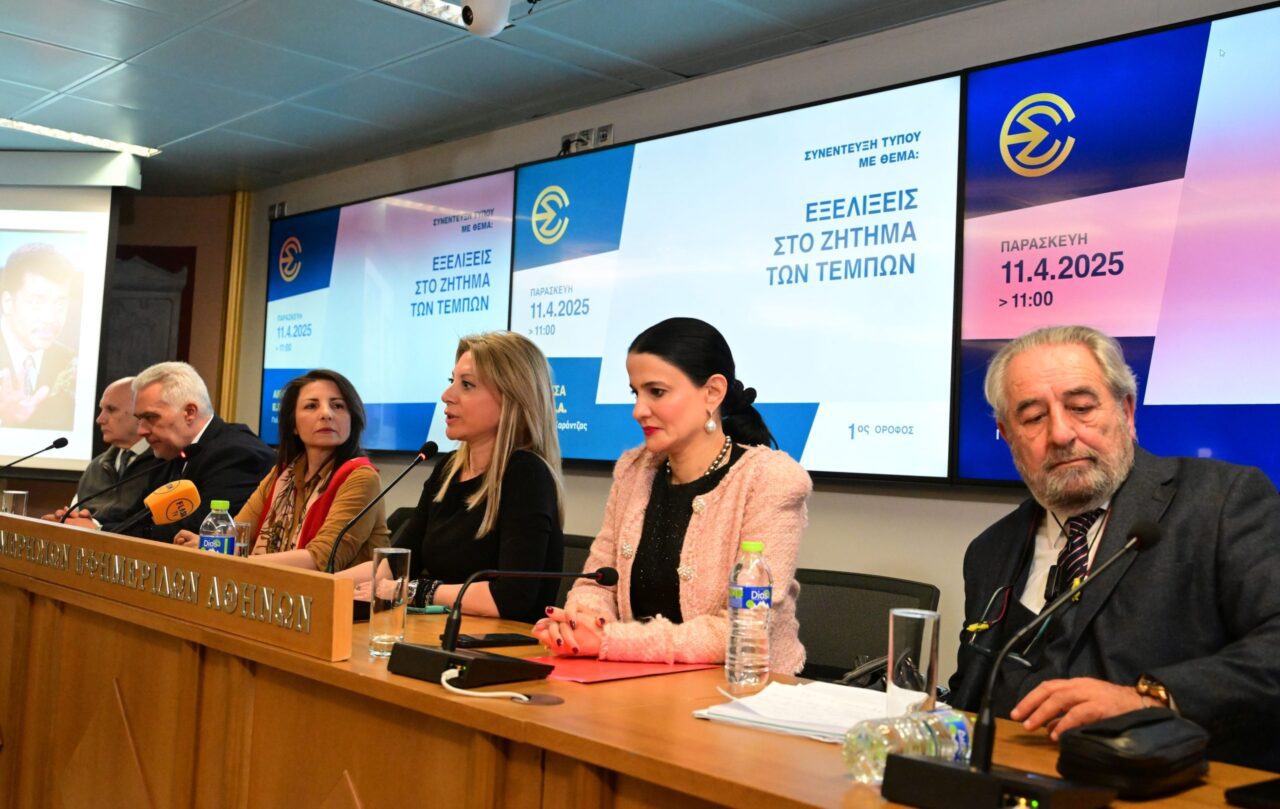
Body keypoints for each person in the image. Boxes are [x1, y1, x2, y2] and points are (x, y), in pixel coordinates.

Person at [948, 325, 1280, 771]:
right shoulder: (989, 550)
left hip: (1166, 782)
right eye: (1033, 418)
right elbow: (971, 689)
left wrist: (1149, 698)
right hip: (1009, 780)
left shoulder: (1222, 503)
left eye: (1081, 408)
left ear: (1126, 411)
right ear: (1008, 437)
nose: (1060, 434)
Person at [533, 318, 811, 671]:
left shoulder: (770, 479)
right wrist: (580, 624)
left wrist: (609, 640)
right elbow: (598, 582)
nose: (638, 410)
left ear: (712, 392)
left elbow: (743, 627)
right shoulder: (634, 470)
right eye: (635, 393)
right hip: (638, 682)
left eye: (657, 392)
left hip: (745, 689)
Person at [341, 332, 564, 624]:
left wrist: (416, 590)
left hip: (505, 643)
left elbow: (510, 598)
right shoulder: (448, 470)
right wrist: (324, 585)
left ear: (513, 396)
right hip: (438, 634)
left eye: (467, 385)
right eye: (452, 381)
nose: (447, 395)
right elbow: (394, 567)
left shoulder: (526, 474)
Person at [173, 369, 389, 569]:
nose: (326, 414)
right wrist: (206, 544)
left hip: (344, 596)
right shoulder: (283, 474)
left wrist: (235, 558)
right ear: (293, 424)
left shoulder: (361, 477)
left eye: (338, 406)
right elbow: (239, 533)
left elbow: (323, 558)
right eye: (311, 406)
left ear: (353, 419)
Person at [60, 361, 275, 541]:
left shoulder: (238, 454)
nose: (142, 430)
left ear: (190, 412)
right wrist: (88, 523)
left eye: (150, 417)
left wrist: (100, 531)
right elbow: (141, 518)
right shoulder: (173, 452)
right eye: (139, 419)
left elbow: (197, 531)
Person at [0, 243, 77, 429]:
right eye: (36, 302)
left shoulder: (71, 362)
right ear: (7, 303)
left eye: (60, 304)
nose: (50, 318)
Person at [68, 377, 156, 526]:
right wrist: (62, 521)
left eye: (111, 409)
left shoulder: (165, 463)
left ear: (140, 412)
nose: (99, 419)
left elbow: (157, 531)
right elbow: (74, 515)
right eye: (101, 409)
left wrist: (97, 529)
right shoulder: (96, 465)